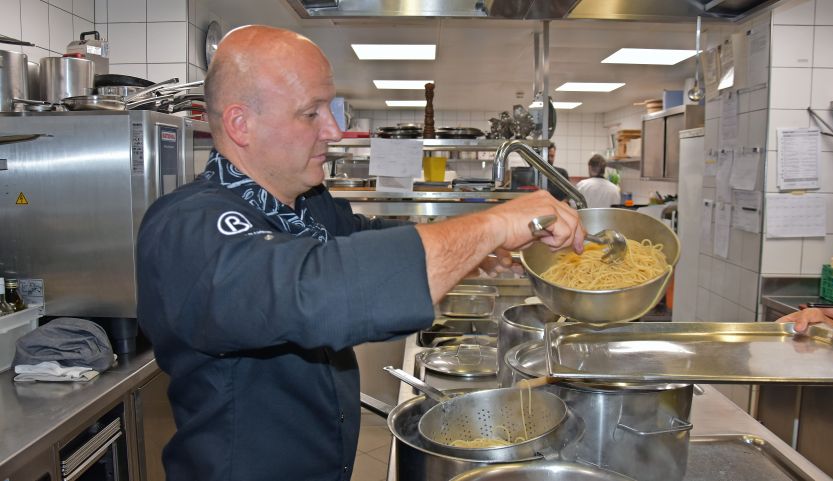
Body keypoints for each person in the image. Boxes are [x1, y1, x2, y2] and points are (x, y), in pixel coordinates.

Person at [135, 25, 585, 481]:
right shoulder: (186, 228)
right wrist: (492, 224)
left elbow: (365, 235)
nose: (334, 131)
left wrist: (475, 250)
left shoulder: (306, 202)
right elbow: (316, 289)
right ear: (240, 124)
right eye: (312, 114)